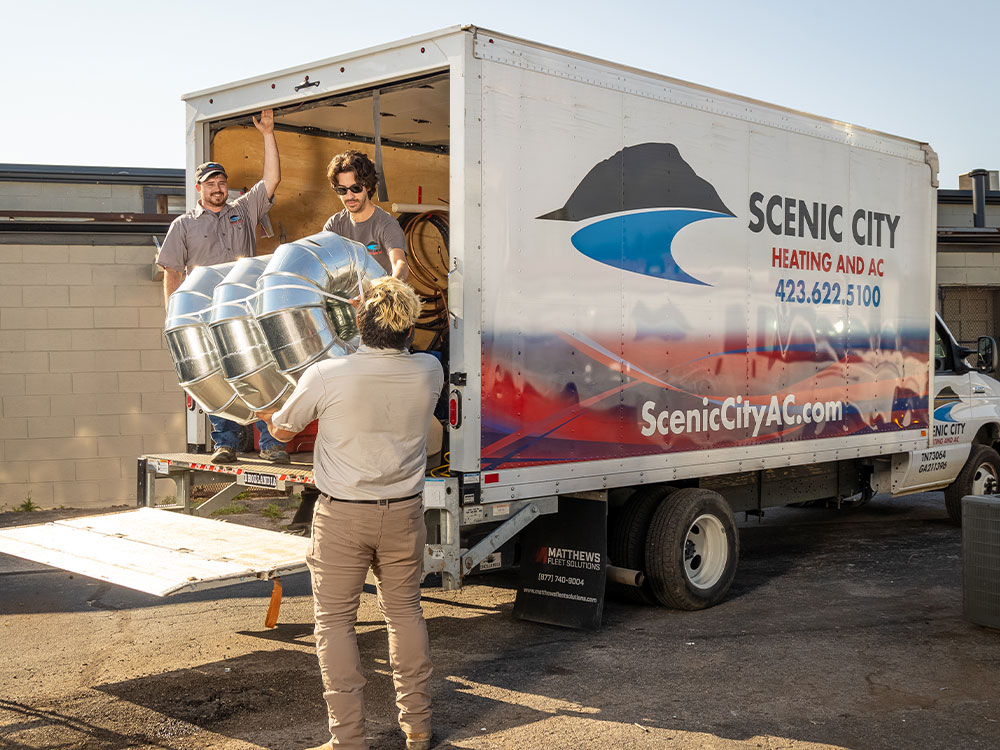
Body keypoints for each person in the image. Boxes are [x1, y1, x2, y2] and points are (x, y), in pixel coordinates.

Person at [257, 277, 443, 750]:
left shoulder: (327, 374)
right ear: (409, 328)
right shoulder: (429, 370)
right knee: (405, 614)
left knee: (335, 625)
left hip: (342, 517)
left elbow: (283, 431)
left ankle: (349, 741)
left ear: (359, 323)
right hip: (403, 513)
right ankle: (417, 729)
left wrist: (268, 418)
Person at [156, 109, 289, 465]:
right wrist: (174, 319)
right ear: (199, 188)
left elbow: (272, 180)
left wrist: (268, 134)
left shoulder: (244, 210)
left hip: (247, 309)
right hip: (204, 316)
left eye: (222, 182)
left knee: (262, 371)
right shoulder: (182, 226)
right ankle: (225, 442)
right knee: (216, 376)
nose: (218, 188)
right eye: (211, 183)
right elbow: (172, 273)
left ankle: (272, 443)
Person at [323, 150, 409, 281]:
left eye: (356, 188)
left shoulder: (387, 225)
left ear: (368, 186)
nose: (350, 196)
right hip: (345, 296)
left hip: (378, 296)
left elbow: (400, 264)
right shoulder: (334, 225)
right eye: (342, 190)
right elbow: (321, 262)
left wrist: (390, 287)